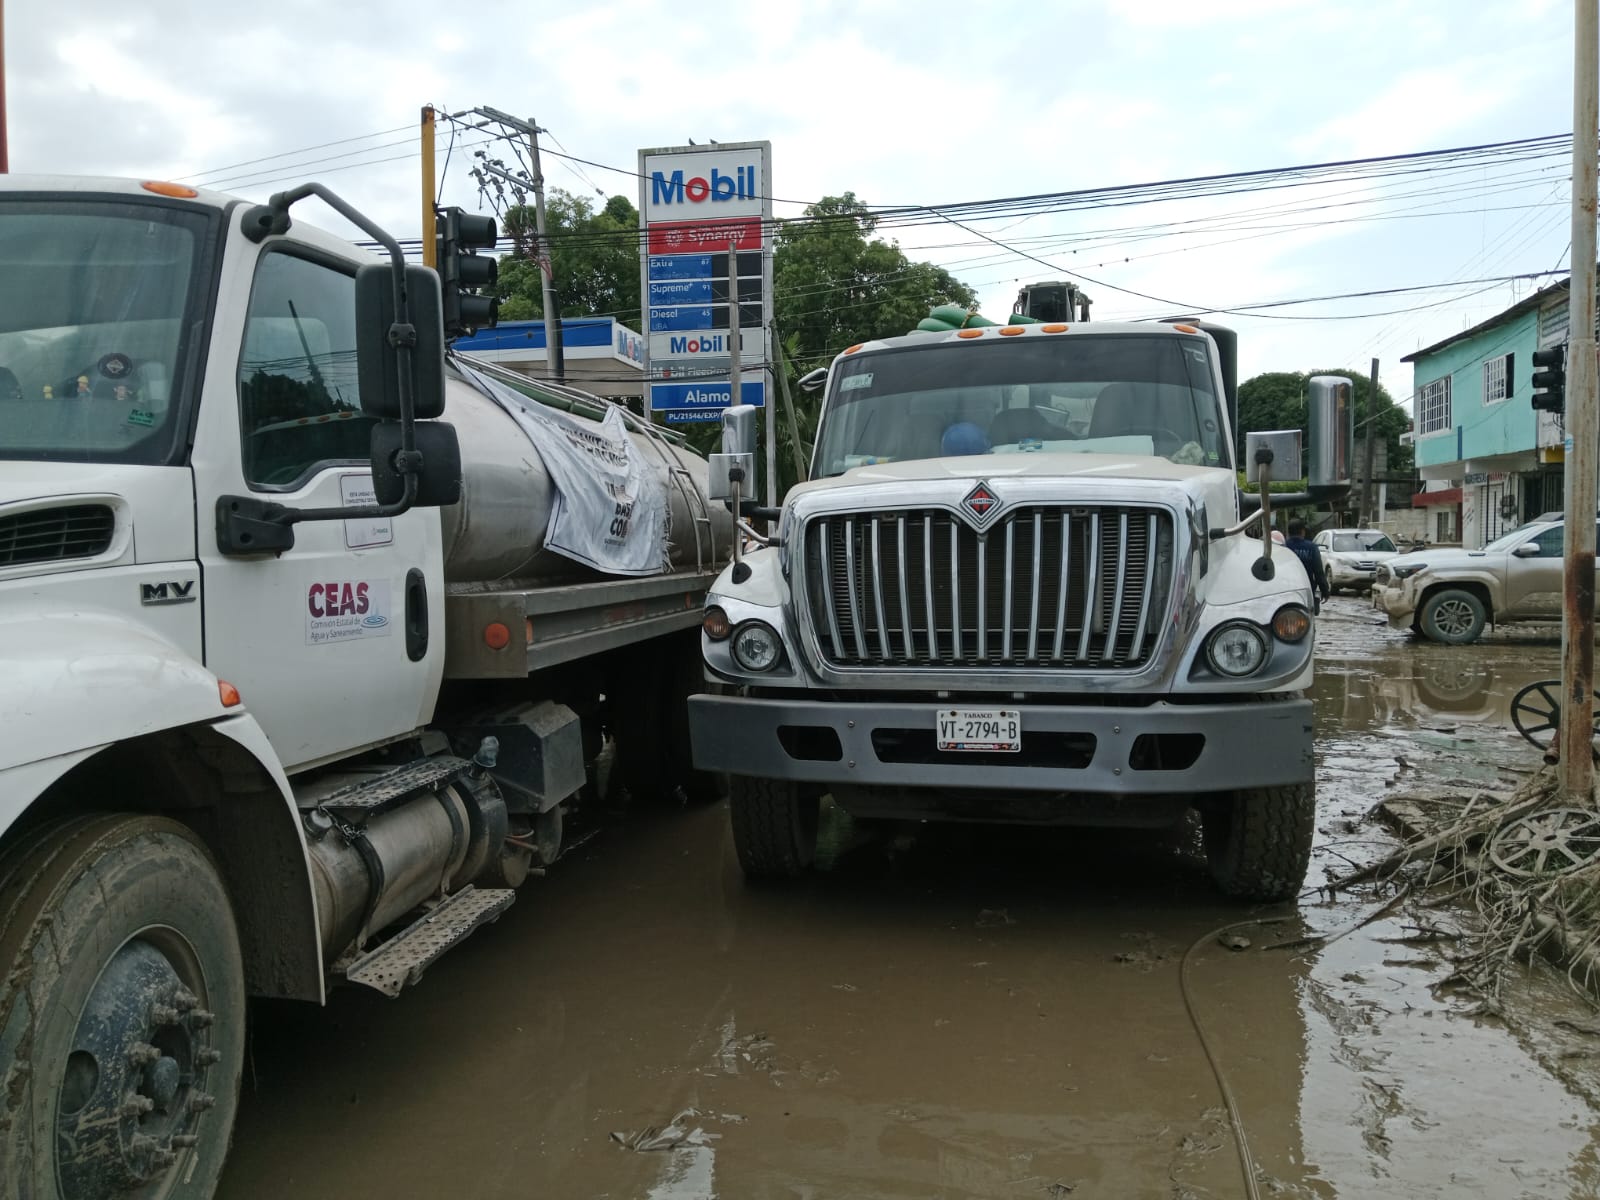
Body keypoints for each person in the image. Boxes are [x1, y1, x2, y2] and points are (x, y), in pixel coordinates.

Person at [1284, 518, 1331, 613]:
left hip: (1286, 591)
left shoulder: (1283, 547)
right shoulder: (1312, 548)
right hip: (1306, 590)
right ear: (1302, 531)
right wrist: (1325, 591)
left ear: (1288, 532)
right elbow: (1318, 572)